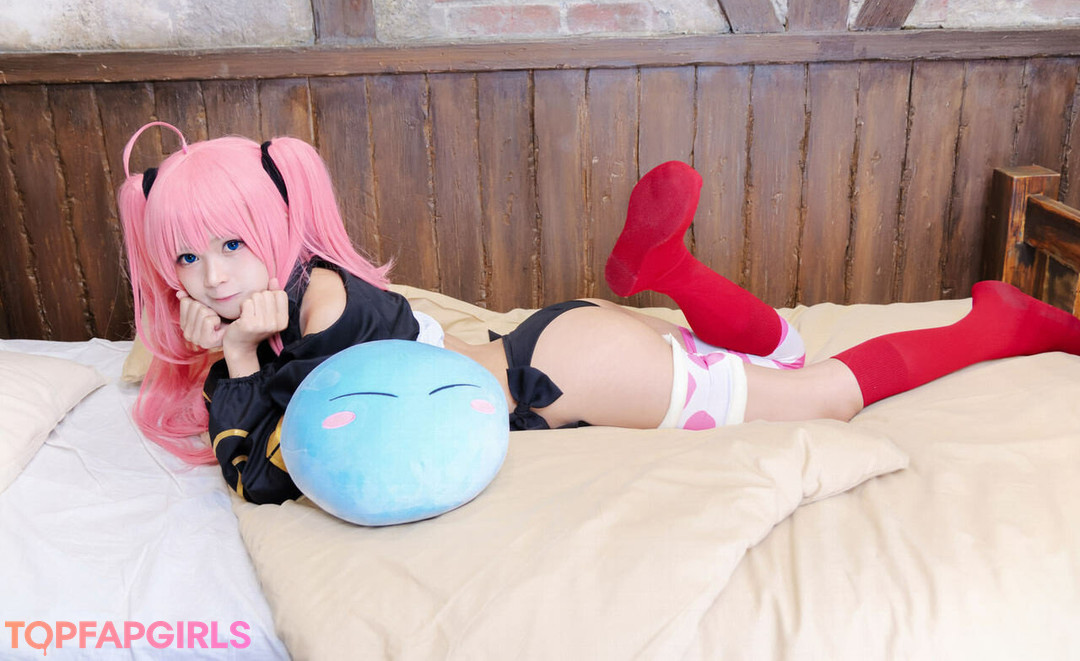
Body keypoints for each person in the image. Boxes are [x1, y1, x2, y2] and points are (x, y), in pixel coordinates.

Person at [118, 121, 1080, 505]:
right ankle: (674, 271)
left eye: (232, 244)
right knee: (779, 362)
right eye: (187, 256)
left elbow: (268, 476)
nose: (210, 277)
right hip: (552, 348)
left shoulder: (318, 307)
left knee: (825, 396)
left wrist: (236, 359)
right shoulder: (292, 301)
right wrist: (236, 346)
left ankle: (1004, 323)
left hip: (561, 373)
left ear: (279, 223)